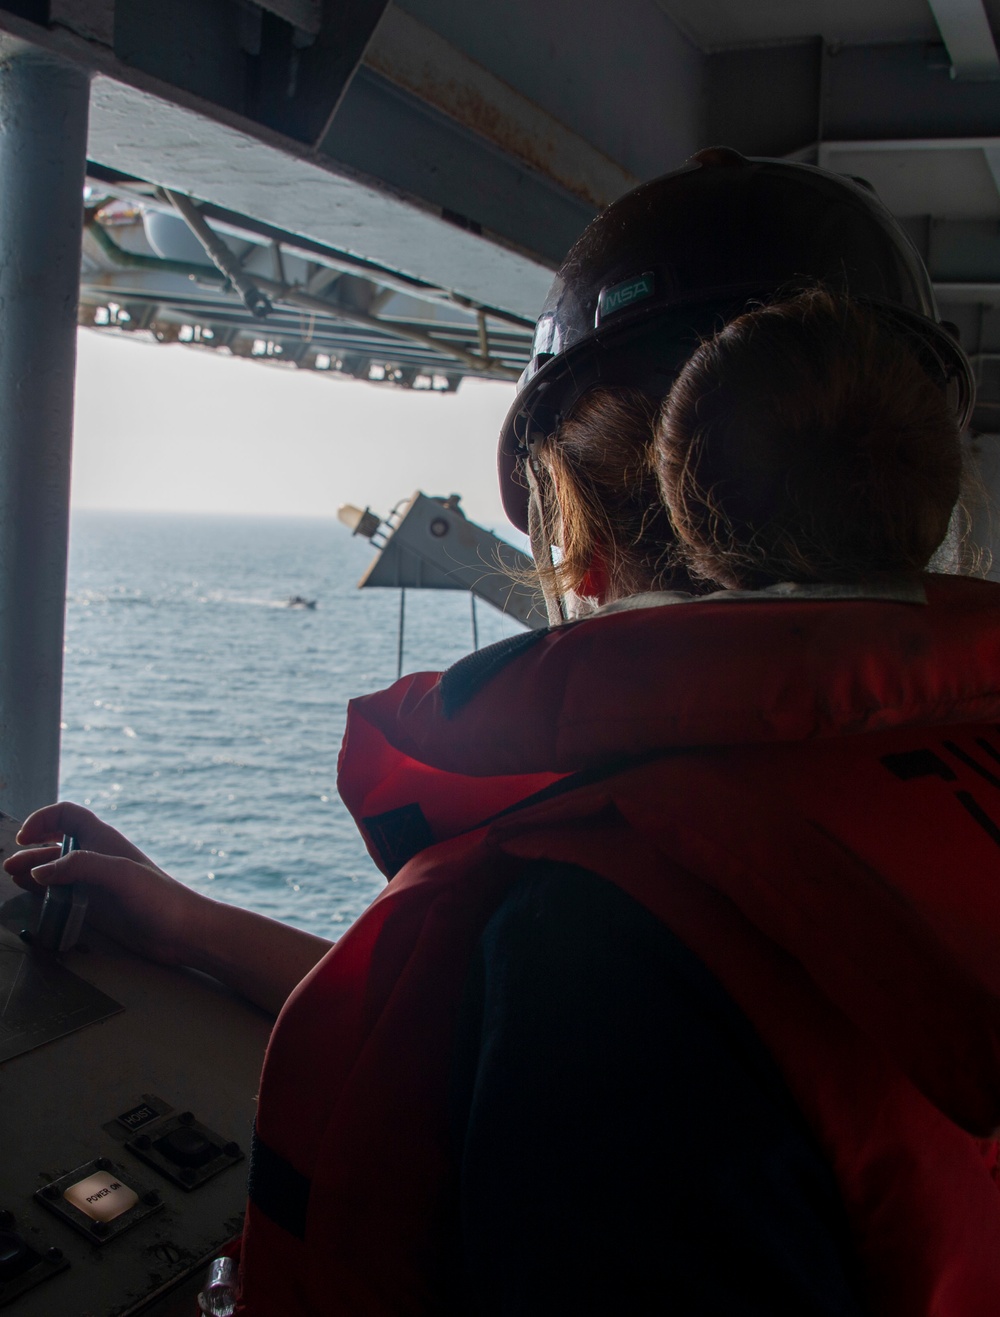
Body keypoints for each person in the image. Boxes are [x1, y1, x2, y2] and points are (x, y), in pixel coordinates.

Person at [7, 148, 1000, 1317]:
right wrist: (192, 925)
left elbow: (596, 1033)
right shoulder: (899, 797)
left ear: (555, 516)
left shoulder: (595, 956)